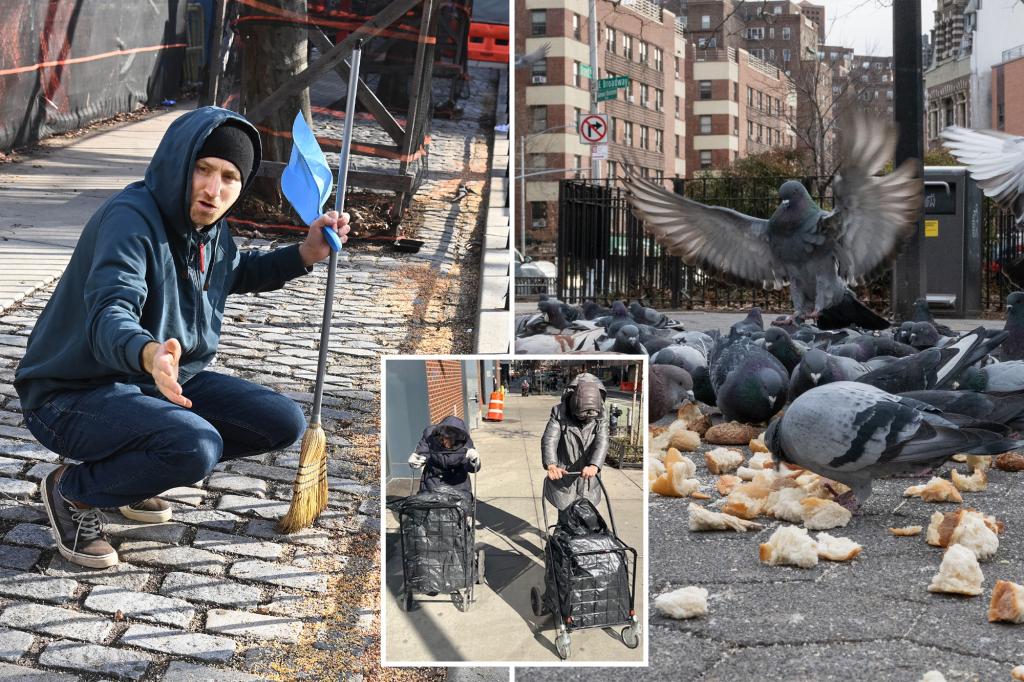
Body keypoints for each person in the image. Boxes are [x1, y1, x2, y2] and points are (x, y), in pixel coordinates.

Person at [14, 106, 351, 569]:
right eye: (203, 169)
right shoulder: (130, 221)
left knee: (280, 422)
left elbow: (235, 271)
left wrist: (304, 253)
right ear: (179, 161)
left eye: (230, 177)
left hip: (160, 380)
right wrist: (150, 353)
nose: (214, 190)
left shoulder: (210, 229)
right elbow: (110, 312)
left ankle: (128, 479)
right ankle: (73, 492)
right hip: (72, 392)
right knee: (195, 446)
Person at [541, 373, 609, 521]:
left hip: (589, 476)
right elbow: (550, 438)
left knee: (588, 518)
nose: (585, 421)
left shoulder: (601, 415)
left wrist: (595, 465)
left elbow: (602, 440)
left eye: (589, 418)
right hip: (565, 474)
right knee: (565, 518)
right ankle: (561, 541)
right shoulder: (559, 413)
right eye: (581, 416)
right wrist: (551, 464)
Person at [407, 415, 480, 494]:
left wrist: (474, 462)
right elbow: (422, 453)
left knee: (460, 505)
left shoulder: (465, 443)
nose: (447, 442)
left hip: (458, 483)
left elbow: (470, 467)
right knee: (428, 504)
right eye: (445, 438)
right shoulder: (429, 436)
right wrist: (415, 461)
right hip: (432, 481)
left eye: (452, 439)